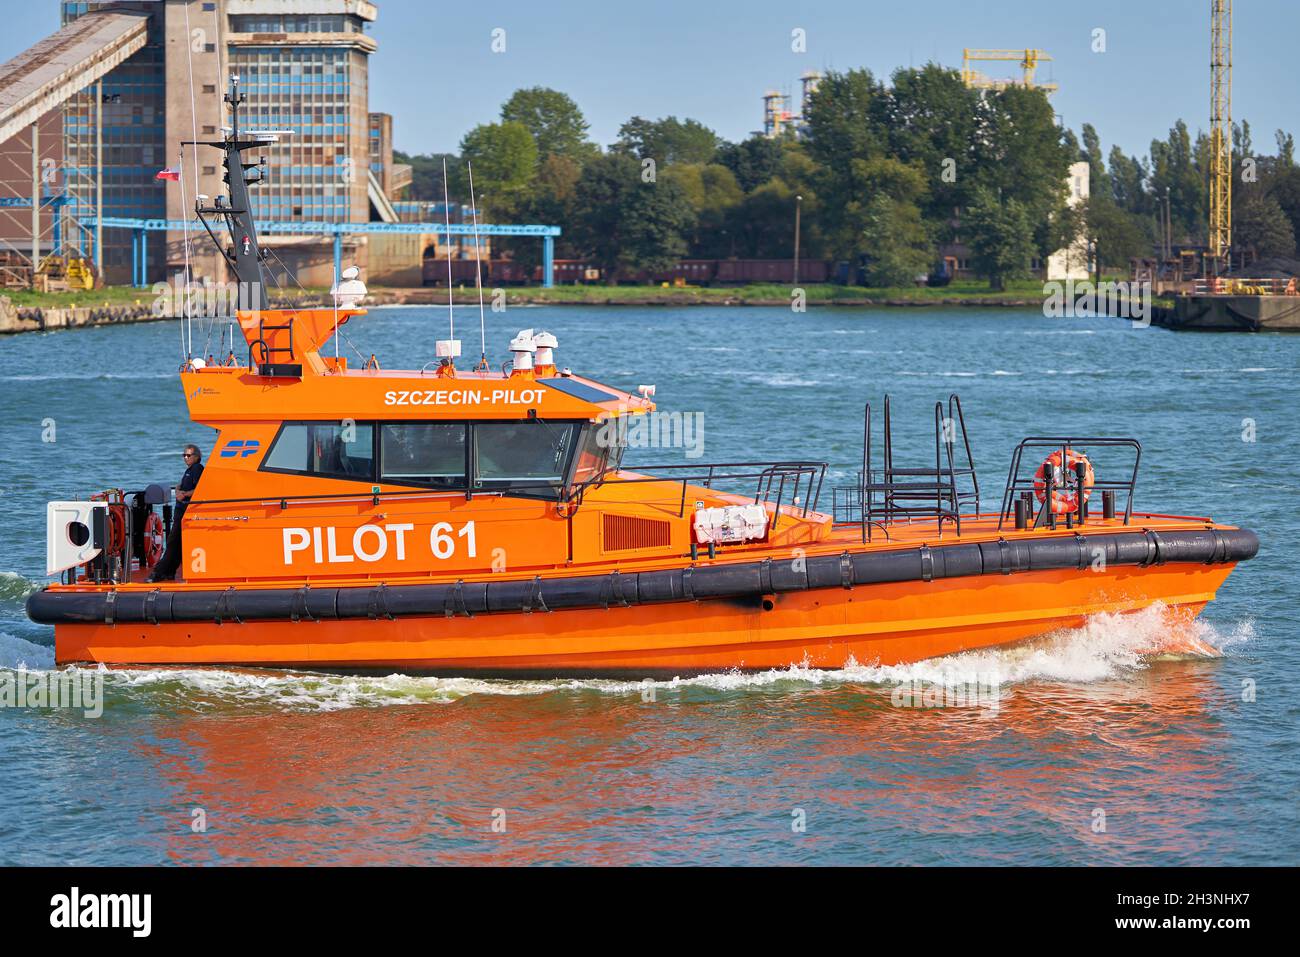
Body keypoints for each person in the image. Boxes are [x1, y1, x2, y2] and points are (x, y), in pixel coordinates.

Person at [150, 444, 204, 582]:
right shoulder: (189, 470)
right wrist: (180, 491)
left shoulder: (197, 468)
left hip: (186, 510)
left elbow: (199, 488)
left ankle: (160, 571)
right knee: (176, 542)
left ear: (196, 456)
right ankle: (169, 571)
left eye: (188, 455)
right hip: (181, 509)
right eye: (184, 455)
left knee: (173, 541)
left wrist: (184, 495)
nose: (185, 458)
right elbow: (180, 485)